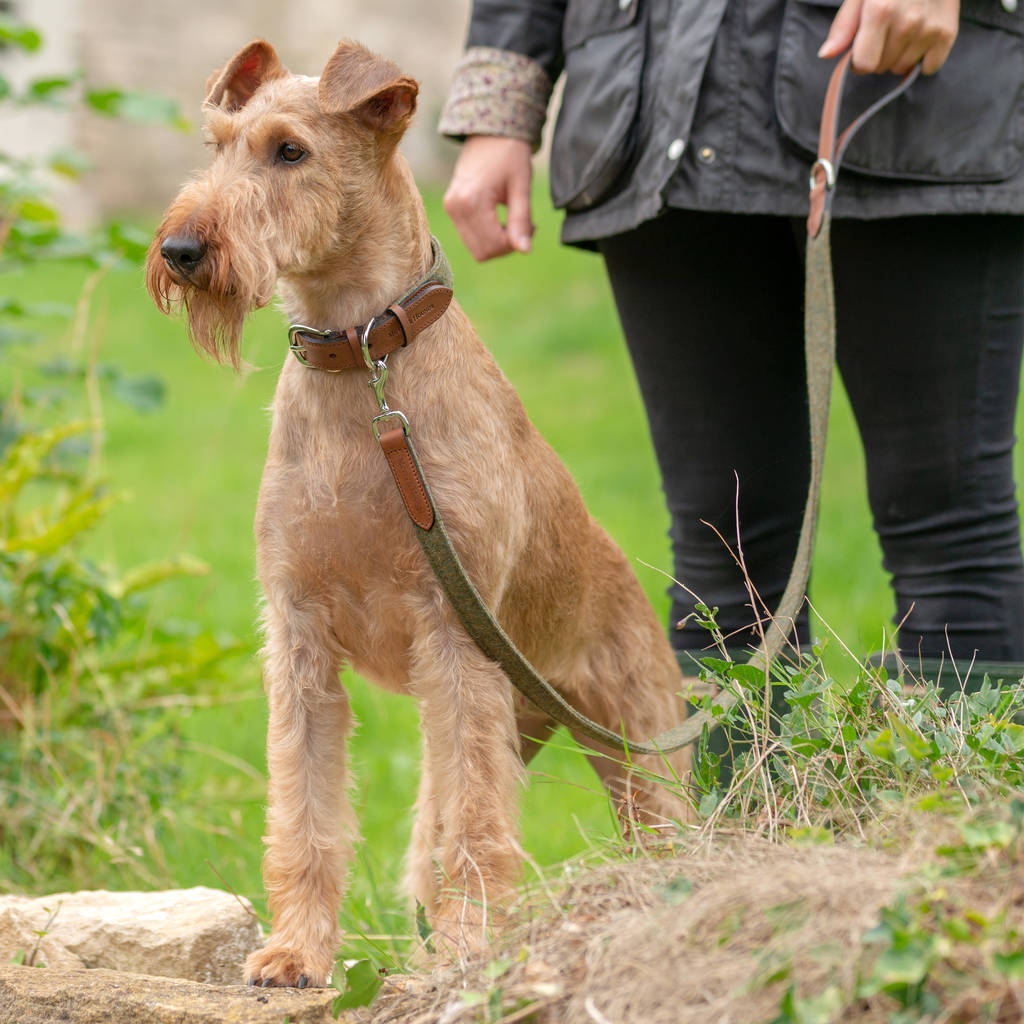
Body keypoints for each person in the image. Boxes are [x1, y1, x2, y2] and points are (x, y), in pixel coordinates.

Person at [439, 0, 1024, 682]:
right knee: (725, 549)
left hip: (908, 89)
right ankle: (757, 795)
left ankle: (958, 792)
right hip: (664, 105)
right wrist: (499, 110)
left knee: (947, 529)